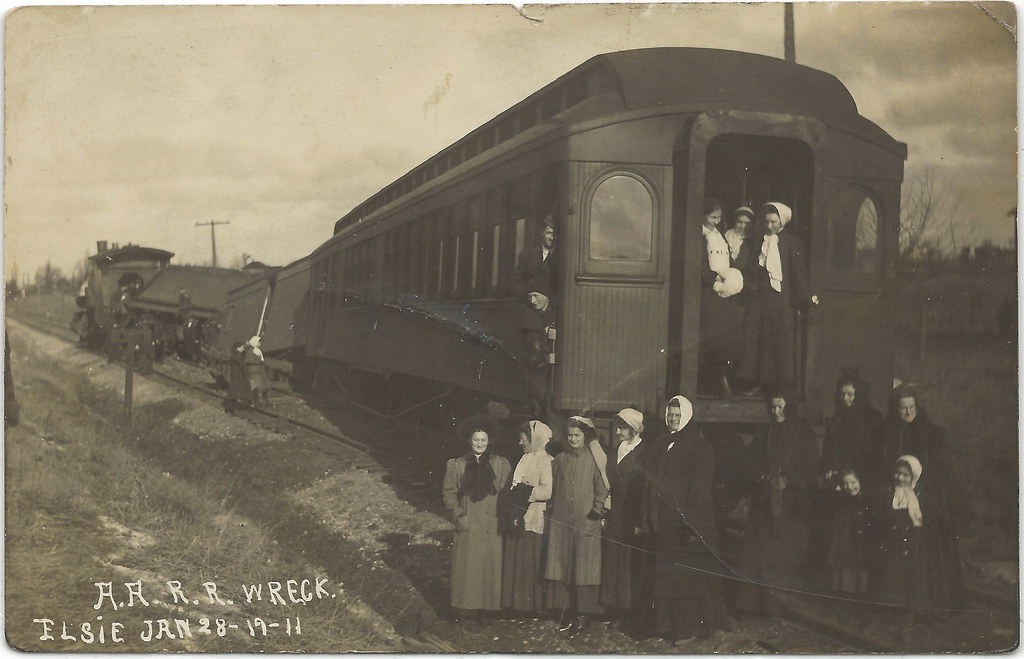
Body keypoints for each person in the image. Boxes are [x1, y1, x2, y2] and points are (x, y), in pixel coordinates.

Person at [647, 396, 730, 643]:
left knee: (688, 578)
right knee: (670, 575)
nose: (672, 419)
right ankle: (668, 627)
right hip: (667, 520)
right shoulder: (665, 442)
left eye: (677, 415)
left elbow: (700, 489)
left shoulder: (698, 445)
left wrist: (692, 523)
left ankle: (691, 629)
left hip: (687, 521)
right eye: (670, 415)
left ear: (687, 417)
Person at [735, 387, 820, 617]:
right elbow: (750, 462)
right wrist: (763, 477)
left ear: (789, 407)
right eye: (772, 407)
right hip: (765, 498)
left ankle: (779, 608)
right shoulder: (765, 432)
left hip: (792, 503)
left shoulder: (804, 434)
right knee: (754, 550)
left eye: (780, 406)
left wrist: (788, 480)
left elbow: (812, 469)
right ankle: (751, 606)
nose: (776, 411)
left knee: (781, 555)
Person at [881, 385, 964, 610]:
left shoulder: (932, 433)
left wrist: (919, 489)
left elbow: (942, 468)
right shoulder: (888, 432)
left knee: (928, 549)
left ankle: (931, 599)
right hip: (898, 494)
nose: (908, 412)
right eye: (902, 408)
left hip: (926, 495)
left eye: (911, 407)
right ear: (895, 409)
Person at [737, 202, 819, 393]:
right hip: (759, 297)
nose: (769, 226)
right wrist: (751, 283)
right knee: (753, 336)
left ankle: (777, 384)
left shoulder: (792, 242)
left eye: (773, 222)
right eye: (766, 222)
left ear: (782, 222)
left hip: (783, 299)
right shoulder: (759, 241)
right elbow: (750, 266)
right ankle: (751, 381)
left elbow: (798, 272)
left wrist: (805, 297)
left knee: (779, 340)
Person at [442, 416, 512, 631]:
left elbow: (508, 493)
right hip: (469, 524)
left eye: (483, 440)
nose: (480, 444)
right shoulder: (457, 465)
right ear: (469, 441)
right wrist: (458, 516)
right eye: (476, 440)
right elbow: (449, 493)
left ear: (489, 441)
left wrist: (504, 517)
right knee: (468, 569)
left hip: (492, 524)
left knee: (490, 568)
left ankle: (488, 610)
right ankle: (467, 612)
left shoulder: (500, 464)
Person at [544, 415, 609, 636]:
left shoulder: (593, 460)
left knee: (585, 567)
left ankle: (585, 614)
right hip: (562, 521)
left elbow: (603, 488)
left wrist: (597, 509)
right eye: (570, 435)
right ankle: (567, 612)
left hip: (586, 521)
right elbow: (553, 488)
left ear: (585, 436)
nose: (573, 439)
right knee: (564, 565)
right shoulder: (560, 460)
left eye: (577, 435)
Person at [600, 408, 654, 632]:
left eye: (622, 427)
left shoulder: (644, 453)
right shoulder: (617, 450)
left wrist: (641, 521)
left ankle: (628, 611)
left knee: (629, 564)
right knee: (613, 560)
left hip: (632, 515)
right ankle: (613, 607)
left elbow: (646, 491)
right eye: (617, 427)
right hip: (615, 513)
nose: (617, 432)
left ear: (634, 429)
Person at [870, 455, 931, 631]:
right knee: (885, 578)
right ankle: (878, 617)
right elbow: (875, 517)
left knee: (910, 581)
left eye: (905, 475)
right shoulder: (884, 492)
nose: (900, 478)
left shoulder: (921, 497)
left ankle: (906, 621)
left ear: (913, 477)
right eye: (897, 473)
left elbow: (925, 523)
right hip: (889, 542)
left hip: (912, 545)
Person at [500, 420, 554, 616]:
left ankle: (532, 607)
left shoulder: (547, 461)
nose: (520, 443)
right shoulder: (524, 458)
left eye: (523, 439)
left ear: (535, 439)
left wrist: (523, 494)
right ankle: (517, 605)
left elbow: (547, 491)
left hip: (533, 517)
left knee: (530, 561)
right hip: (518, 515)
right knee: (517, 559)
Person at [699, 198, 744, 399]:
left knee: (728, 338)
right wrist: (714, 279)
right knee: (713, 338)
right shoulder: (700, 236)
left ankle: (724, 377)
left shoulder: (719, 236)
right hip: (709, 292)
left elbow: (728, 261)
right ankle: (717, 381)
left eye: (718, 218)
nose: (716, 221)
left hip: (724, 292)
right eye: (712, 217)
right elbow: (699, 264)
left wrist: (731, 277)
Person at [822, 370, 885, 491]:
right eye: (842, 394)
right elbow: (829, 448)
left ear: (859, 394)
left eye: (850, 394)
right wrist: (831, 468)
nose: (845, 398)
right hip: (840, 475)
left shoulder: (873, 418)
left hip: (864, 475)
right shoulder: (838, 417)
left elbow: (873, 453)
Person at [826, 469, 872, 596]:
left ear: (860, 481)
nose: (850, 487)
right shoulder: (841, 502)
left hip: (863, 546)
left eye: (853, 482)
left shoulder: (868, 500)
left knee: (862, 578)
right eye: (845, 484)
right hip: (847, 547)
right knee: (846, 580)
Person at [520, 277, 556, 418]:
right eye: (530, 297)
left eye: (536, 295)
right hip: (539, 372)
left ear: (546, 296)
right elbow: (527, 352)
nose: (533, 301)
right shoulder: (529, 317)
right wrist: (545, 360)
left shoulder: (559, 315)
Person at [514, 219, 557, 300]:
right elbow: (517, 282)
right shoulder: (526, 255)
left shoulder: (563, 258)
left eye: (555, 234)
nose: (552, 238)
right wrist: (529, 298)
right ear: (542, 233)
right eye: (549, 233)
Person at [724, 206, 754, 272]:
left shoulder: (754, 242)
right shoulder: (726, 237)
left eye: (747, 223)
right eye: (739, 222)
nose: (743, 226)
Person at [225, 341, 251, 413]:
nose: (243, 348)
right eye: (242, 347)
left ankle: (234, 407)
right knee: (234, 392)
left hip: (240, 376)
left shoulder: (240, 354)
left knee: (238, 392)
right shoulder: (235, 355)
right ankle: (232, 408)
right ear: (237, 348)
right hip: (236, 375)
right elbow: (240, 362)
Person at [244, 335, 270, 406]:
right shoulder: (252, 351)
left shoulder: (256, 350)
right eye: (258, 342)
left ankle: (259, 400)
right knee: (257, 385)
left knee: (259, 385)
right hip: (254, 370)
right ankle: (256, 400)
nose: (260, 343)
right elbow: (247, 361)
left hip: (258, 370)